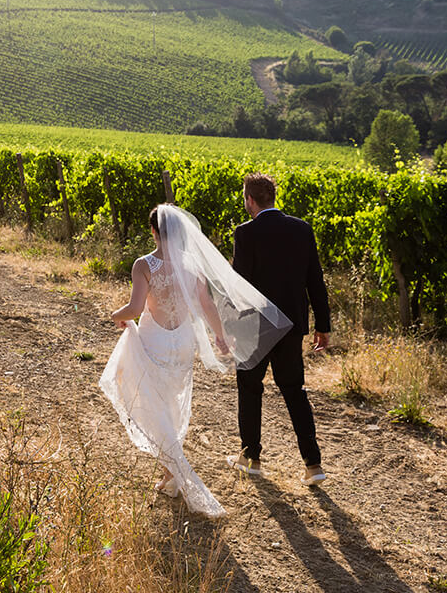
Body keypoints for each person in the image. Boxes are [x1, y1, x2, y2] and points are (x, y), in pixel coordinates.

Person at [100, 204, 291, 517]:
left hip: (154, 341)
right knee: (172, 406)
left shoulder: (144, 265)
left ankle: (176, 472)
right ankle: (169, 476)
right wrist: (219, 336)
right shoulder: (192, 265)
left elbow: (135, 308)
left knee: (152, 406)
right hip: (183, 342)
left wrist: (115, 315)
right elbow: (206, 306)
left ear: (152, 231)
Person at [228, 173, 330, 486]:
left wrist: (231, 327)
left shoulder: (245, 233)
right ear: (272, 197)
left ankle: (251, 457)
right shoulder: (302, 229)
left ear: (250, 200)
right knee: (294, 391)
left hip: (255, 327)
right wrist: (322, 326)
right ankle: (313, 465)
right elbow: (315, 280)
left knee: (249, 388)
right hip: (291, 326)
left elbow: (238, 287)